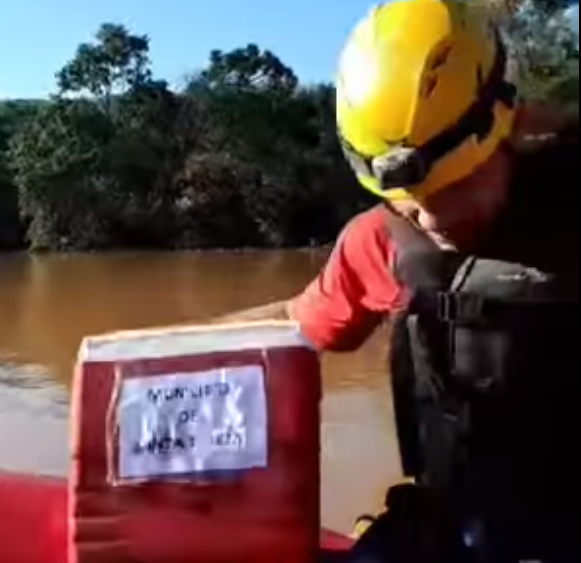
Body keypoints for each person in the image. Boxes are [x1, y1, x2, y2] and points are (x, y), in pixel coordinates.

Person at [219, 0, 579, 561]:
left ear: (506, 116)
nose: (429, 216)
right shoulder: (379, 242)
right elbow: (297, 323)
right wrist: (146, 345)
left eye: (456, 184)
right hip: (456, 524)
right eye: (409, 200)